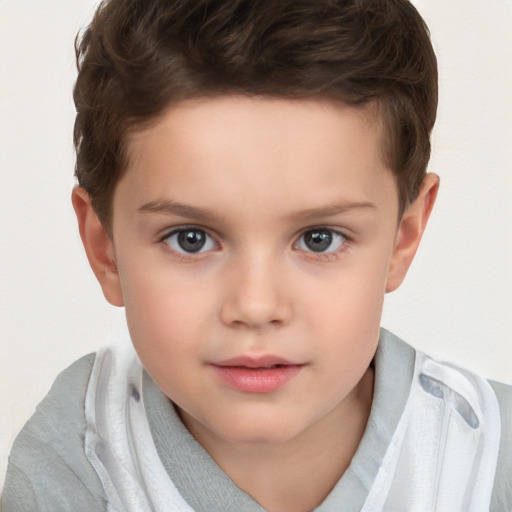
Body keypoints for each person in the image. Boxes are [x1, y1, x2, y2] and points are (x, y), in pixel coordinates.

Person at [2, 0, 510, 510]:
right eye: (191, 239)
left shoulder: (487, 462)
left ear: (403, 236)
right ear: (105, 247)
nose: (255, 305)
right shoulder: (76, 462)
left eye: (319, 238)